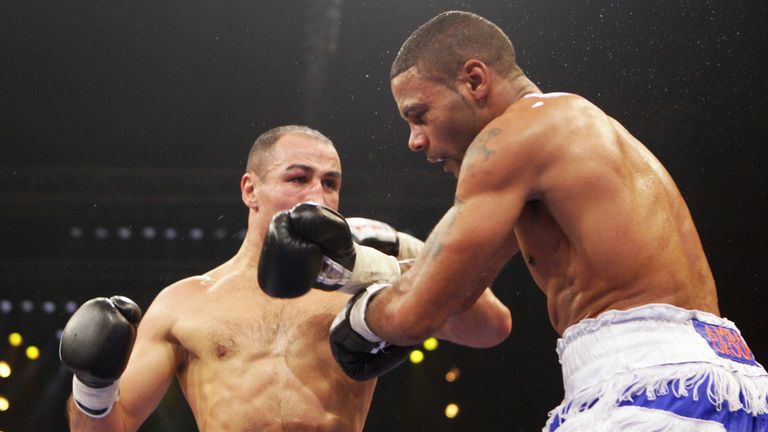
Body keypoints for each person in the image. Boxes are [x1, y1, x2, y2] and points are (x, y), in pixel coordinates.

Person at [314, 11, 767, 431]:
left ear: (474, 80)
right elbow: (456, 288)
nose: (414, 140)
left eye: (419, 115)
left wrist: (361, 322)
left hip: (644, 385)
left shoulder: (509, 140)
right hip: (727, 381)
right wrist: (362, 269)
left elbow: (418, 311)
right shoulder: (567, 131)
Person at [59, 125, 512, 432]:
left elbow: (489, 327)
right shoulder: (185, 302)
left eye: (331, 182)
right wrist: (93, 387)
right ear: (250, 190)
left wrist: (404, 250)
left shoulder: (367, 283)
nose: (318, 194)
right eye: (298, 178)